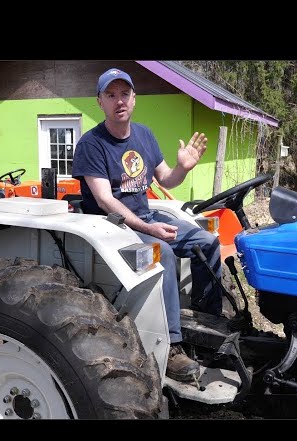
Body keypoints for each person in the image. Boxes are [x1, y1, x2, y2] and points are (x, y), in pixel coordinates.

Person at [72, 67, 222, 383]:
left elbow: (166, 178)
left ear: (134, 98)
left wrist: (183, 168)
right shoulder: (91, 143)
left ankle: (208, 323)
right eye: (111, 95)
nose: (119, 101)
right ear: (100, 102)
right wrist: (149, 229)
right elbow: (104, 199)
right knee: (161, 252)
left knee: (207, 242)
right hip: (111, 227)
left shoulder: (144, 135)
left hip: (145, 219)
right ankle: (172, 346)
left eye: (124, 94)